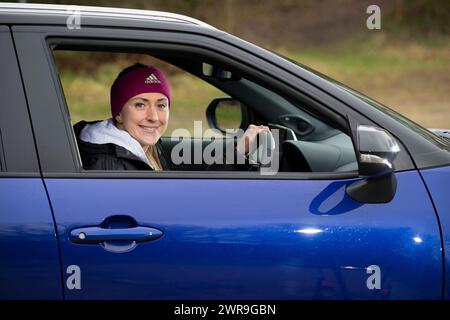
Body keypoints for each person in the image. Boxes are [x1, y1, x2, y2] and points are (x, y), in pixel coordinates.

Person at [74, 63, 270, 171]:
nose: (153, 117)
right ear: (118, 113)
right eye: (140, 104)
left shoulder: (140, 149)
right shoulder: (110, 166)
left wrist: (237, 149)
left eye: (161, 105)